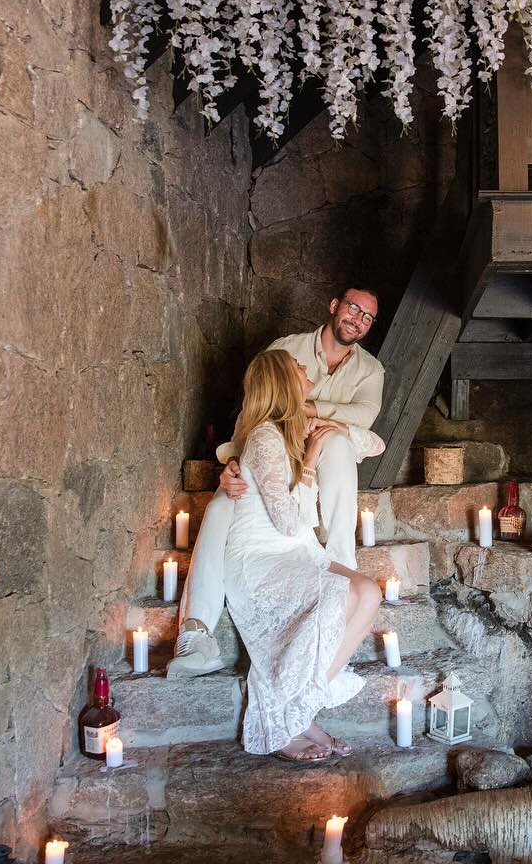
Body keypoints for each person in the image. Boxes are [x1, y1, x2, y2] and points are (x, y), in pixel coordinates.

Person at [169, 287, 385, 677]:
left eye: (368, 317)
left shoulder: (370, 370)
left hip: (323, 458)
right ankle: (196, 630)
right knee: (220, 506)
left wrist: (312, 416)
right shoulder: (287, 348)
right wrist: (235, 462)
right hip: (274, 454)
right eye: (353, 308)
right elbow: (256, 409)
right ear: (334, 306)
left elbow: (365, 418)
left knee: (335, 442)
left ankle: (339, 558)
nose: (359, 319)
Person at [220, 349, 382, 761]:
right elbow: (290, 522)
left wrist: (332, 426)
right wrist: (310, 458)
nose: (306, 370)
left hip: (296, 549)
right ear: (282, 382)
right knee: (344, 595)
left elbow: (374, 442)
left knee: (370, 593)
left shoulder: (290, 428)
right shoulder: (264, 438)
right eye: (298, 368)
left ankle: (302, 706)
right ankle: (288, 718)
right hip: (261, 556)